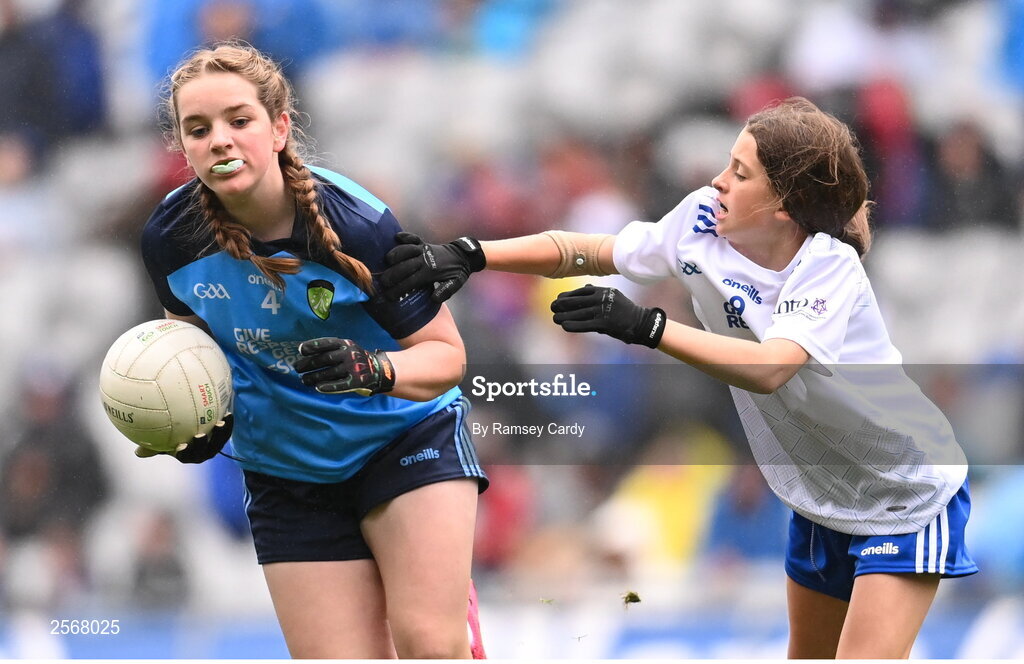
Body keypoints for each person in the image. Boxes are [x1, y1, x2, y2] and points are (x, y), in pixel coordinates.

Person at [380, 97, 978, 659]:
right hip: (820, 498)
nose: (720, 180)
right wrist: (472, 253)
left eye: (740, 174)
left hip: (902, 493)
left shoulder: (826, 266)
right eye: (728, 163)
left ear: (784, 208)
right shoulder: (700, 220)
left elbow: (772, 366)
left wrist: (648, 327)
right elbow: (589, 251)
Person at [138, 42, 488, 659]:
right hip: (286, 472)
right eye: (199, 129)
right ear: (184, 146)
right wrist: (196, 421)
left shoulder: (355, 224)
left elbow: (446, 358)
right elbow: (191, 356)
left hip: (404, 440)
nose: (220, 140)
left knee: (430, 644)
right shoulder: (170, 238)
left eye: (238, 121)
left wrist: (375, 370)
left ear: (279, 129)